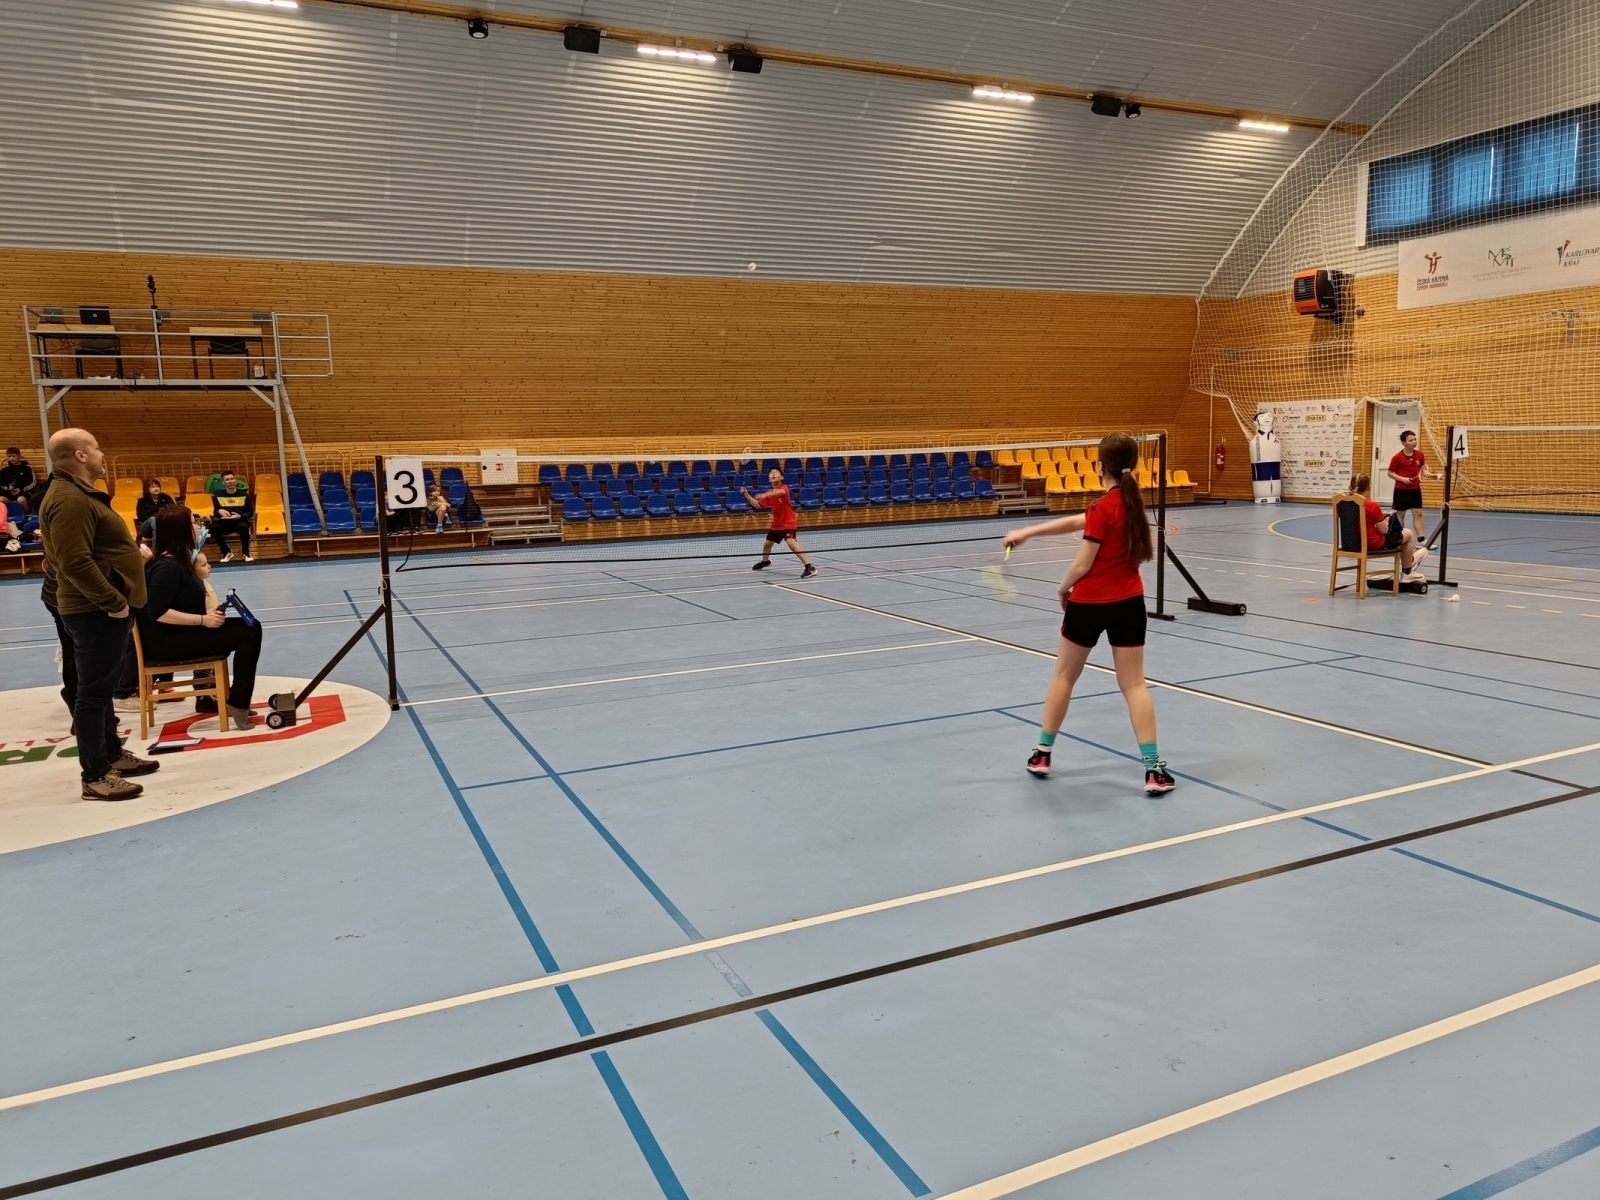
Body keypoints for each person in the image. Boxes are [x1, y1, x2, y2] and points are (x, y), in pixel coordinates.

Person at [1004, 432, 1174, 794]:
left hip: (1089, 605)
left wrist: (1062, 588)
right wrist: (1029, 532)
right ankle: (1154, 770)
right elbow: (1077, 521)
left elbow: (1083, 563)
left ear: (1099, 466)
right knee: (1135, 685)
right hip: (1130, 604)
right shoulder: (1131, 504)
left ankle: (1042, 754)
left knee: (1064, 676)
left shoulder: (1102, 508)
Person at [36, 428, 160, 801]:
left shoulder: (77, 494)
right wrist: (113, 602)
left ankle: (111, 754)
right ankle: (95, 775)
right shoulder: (69, 499)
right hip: (94, 610)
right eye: (96, 447)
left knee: (102, 687)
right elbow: (74, 562)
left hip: (99, 609)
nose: (102, 453)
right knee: (92, 693)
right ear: (80, 455)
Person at [141, 505, 263, 728]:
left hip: (180, 633)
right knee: (248, 633)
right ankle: (238, 702)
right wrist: (203, 620)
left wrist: (209, 614)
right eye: (193, 522)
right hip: (167, 643)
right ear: (181, 529)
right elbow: (157, 612)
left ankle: (237, 700)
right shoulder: (166, 567)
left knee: (252, 626)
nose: (198, 526)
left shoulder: (178, 562)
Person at [1349, 472, 1428, 582]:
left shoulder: (1343, 504)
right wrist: (1384, 521)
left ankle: (1411, 559)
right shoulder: (1371, 505)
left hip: (1353, 543)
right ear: (1368, 488)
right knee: (1408, 534)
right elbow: (1384, 530)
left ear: (1350, 487)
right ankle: (1407, 571)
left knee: (1400, 534)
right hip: (1373, 543)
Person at [741, 468, 816, 578]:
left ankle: (809, 567)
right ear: (769, 479)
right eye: (771, 473)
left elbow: (779, 492)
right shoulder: (770, 494)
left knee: (791, 543)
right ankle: (765, 561)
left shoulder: (784, 488)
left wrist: (764, 494)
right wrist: (747, 495)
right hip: (777, 524)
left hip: (788, 522)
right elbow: (757, 505)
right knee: (767, 544)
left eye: (776, 472)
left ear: (781, 477)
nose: (773, 474)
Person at [1386, 430, 1435, 542]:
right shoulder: (1397, 457)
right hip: (1401, 490)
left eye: (1415, 439)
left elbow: (1423, 470)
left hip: (1415, 489)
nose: (1414, 442)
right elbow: (1390, 473)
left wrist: (1430, 475)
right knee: (1400, 514)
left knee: (1418, 513)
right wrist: (1403, 479)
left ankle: (1421, 540)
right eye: (1410, 440)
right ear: (1404, 443)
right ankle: (1402, 538)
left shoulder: (1420, 455)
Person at [210, 470, 254, 562]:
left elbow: (250, 512)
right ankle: (226, 552)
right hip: (225, 523)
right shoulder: (218, 495)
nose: (230, 481)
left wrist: (240, 516)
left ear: (235, 480)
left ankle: (246, 552)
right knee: (213, 527)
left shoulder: (244, 495)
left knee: (244, 526)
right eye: (227, 479)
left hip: (239, 521)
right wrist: (219, 511)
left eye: (232, 479)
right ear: (223, 482)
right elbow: (215, 513)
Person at [135, 477, 175, 544]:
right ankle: (157, 549)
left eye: (157, 486)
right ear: (147, 489)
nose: (156, 488)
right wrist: (158, 516)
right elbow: (141, 517)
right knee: (153, 519)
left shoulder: (167, 498)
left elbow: (174, 510)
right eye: (152, 487)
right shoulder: (142, 501)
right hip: (147, 528)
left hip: (165, 525)